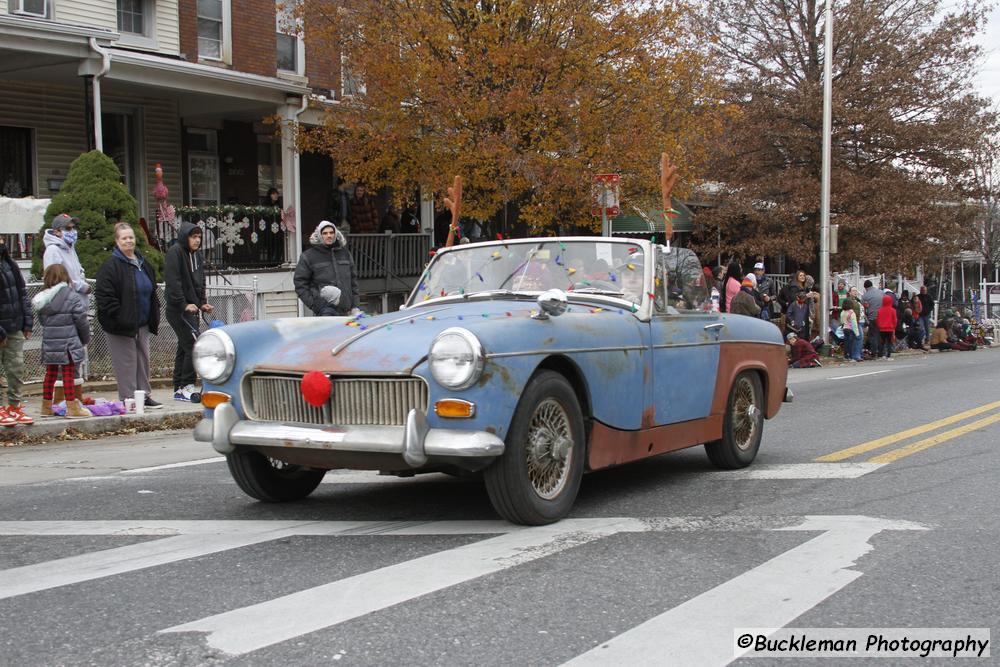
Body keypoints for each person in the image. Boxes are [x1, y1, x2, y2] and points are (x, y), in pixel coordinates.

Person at [95, 223, 161, 408]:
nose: (128, 241)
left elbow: (152, 290)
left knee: (143, 359)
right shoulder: (111, 266)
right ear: (117, 241)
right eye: (124, 238)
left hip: (142, 322)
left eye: (131, 237)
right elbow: (104, 296)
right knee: (126, 362)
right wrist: (120, 316)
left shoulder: (143, 263)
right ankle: (128, 399)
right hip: (120, 325)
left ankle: (144, 396)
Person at [31, 264, 92, 418]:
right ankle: (72, 407)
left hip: (50, 342)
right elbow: (81, 321)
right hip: (69, 343)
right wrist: (84, 339)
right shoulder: (72, 296)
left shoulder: (43, 299)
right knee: (68, 374)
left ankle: (46, 406)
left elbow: (43, 321)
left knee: (50, 374)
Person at [165, 222, 213, 402]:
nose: (197, 240)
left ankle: (179, 387)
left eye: (199, 237)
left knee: (184, 347)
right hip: (178, 309)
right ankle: (187, 385)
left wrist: (202, 303)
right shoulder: (175, 252)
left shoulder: (198, 256)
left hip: (191, 309)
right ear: (185, 237)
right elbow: (173, 282)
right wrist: (184, 304)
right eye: (193, 236)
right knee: (195, 346)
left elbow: (201, 282)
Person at [0, 235, 34, 426]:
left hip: (14, 326)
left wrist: (27, 322)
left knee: (16, 369)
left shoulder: (9, 263)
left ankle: (14, 406)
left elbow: (22, 293)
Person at [294, 221, 360, 316]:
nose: (329, 236)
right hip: (325, 312)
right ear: (319, 235)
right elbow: (300, 284)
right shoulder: (308, 256)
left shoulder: (345, 254)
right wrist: (316, 305)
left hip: (347, 311)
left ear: (336, 234)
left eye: (331, 232)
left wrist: (355, 306)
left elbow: (353, 282)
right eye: (325, 233)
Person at [42, 213, 90, 295]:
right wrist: (81, 287)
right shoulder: (53, 250)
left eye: (73, 228)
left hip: (77, 300)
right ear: (57, 232)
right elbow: (55, 280)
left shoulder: (70, 248)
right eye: (68, 228)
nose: (72, 231)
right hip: (65, 302)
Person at [875, 293, 897, 359]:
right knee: (889, 342)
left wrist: (879, 326)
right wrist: (894, 327)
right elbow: (895, 320)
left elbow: (877, 320)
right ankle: (888, 354)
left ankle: (880, 354)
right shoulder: (893, 310)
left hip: (881, 329)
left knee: (882, 342)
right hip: (890, 328)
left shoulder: (880, 310)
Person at [840, 297, 861, 361]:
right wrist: (857, 333)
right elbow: (854, 323)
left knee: (846, 343)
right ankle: (851, 357)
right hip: (851, 329)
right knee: (851, 344)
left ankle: (846, 356)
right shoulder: (852, 313)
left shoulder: (842, 312)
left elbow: (841, 321)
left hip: (845, 329)